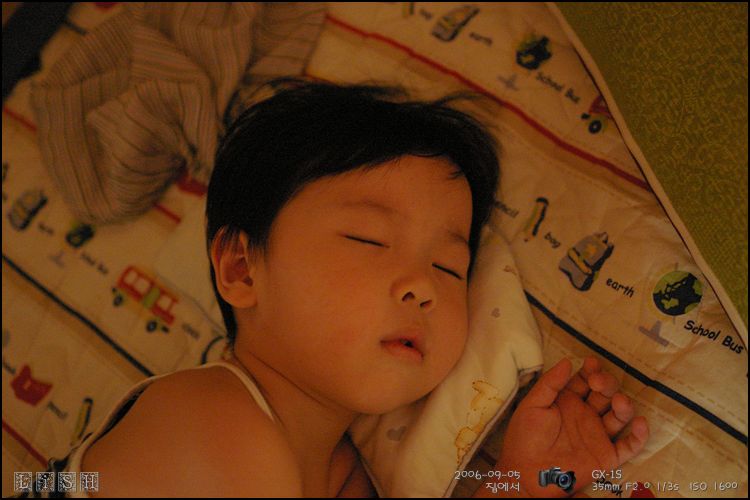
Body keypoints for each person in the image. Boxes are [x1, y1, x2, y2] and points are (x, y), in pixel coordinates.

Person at [29, 78, 648, 498]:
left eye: (449, 268)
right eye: (369, 240)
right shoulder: (209, 422)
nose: (422, 287)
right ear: (242, 270)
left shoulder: (350, 473)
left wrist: (526, 479)